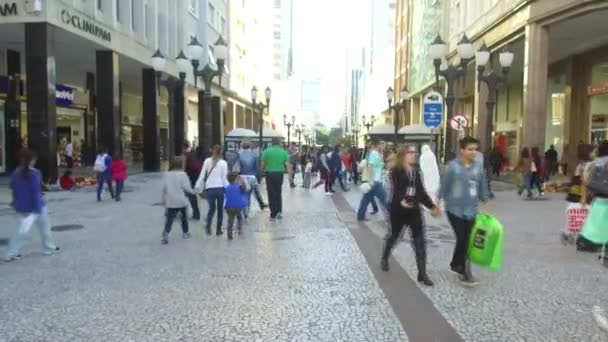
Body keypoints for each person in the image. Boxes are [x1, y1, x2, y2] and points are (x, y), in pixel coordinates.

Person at [381, 146, 441, 287]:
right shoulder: (396, 171)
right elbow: (397, 190)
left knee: (420, 242)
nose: (414, 155)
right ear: (403, 155)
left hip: (414, 212)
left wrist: (432, 207)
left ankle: (422, 273)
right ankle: (385, 257)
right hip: (398, 212)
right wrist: (402, 200)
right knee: (394, 236)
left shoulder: (416, 172)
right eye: (411, 152)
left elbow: (421, 193)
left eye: (415, 152)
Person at [439, 136, 489, 286]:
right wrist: (436, 203)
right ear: (462, 150)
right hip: (454, 209)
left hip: (471, 209)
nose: (473, 152)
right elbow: (444, 186)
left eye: (475, 149)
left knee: (467, 240)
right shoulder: (452, 166)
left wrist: (485, 204)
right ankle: (465, 271)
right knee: (463, 239)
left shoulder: (478, 167)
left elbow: (482, 186)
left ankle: (458, 265)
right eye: (470, 149)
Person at [5, 149, 60, 262]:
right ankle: (48, 248)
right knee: (44, 228)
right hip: (36, 206)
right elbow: (35, 192)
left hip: (21, 206)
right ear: (32, 160)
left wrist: (15, 201)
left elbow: (12, 187)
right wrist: (38, 208)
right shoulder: (35, 173)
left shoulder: (16, 172)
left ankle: (11, 253)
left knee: (21, 230)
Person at [195, 144, 228, 236]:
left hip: (210, 188)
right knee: (220, 210)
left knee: (212, 209)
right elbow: (224, 178)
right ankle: (218, 230)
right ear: (221, 152)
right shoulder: (224, 163)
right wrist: (228, 188)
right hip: (220, 188)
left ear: (212, 150)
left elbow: (202, 175)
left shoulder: (207, 161)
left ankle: (208, 226)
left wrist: (197, 185)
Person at [161, 157, 196, 245]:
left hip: (171, 200)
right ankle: (185, 233)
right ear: (181, 164)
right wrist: (194, 192)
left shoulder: (167, 174)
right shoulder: (183, 174)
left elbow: (164, 188)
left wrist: (163, 199)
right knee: (184, 218)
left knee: (169, 219)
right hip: (181, 200)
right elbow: (186, 187)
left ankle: (166, 234)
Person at [261, 138, 292, 220]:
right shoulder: (283, 152)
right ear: (279, 143)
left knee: (271, 193)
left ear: (272, 143)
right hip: (279, 174)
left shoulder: (266, 151)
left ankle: (273, 213)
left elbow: (263, 164)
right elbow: (288, 165)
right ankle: (279, 212)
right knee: (278, 192)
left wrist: (262, 172)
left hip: (269, 174)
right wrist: (290, 176)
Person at [357, 139, 388, 221]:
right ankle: (394, 216)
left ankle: (360, 216)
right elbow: (370, 166)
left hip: (374, 181)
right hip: (375, 182)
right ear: (378, 145)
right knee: (385, 200)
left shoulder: (377, 153)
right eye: (382, 144)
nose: (384, 146)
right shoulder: (374, 153)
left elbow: (378, 167)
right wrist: (371, 181)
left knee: (365, 200)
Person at [238, 140, 267, 218]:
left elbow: (238, 168)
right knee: (249, 195)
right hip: (252, 177)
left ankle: (245, 211)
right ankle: (247, 211)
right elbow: (257, 168)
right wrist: (258, 177)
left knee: (244, 194)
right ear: (250, 146)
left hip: (242, 177)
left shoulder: (239, 155)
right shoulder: (254, 155)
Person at [224, 172, 248, 240]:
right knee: (239, 218)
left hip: (229, 207)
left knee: (230, 221)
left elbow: (225, 197)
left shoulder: (227, 188)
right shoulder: (239, 187)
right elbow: (245, 189)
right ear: (236, 180)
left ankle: (229, 235)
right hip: (238, 206)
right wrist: (243, 182)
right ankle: (239, 230)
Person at [183, 142, 202, 220]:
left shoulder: (185, 154)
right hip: (195, 175)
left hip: (189, 176)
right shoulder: (193, 153)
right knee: (191, 194)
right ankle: (195, 212)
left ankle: (194, 212)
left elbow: (183, 167)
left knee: (189, 194)